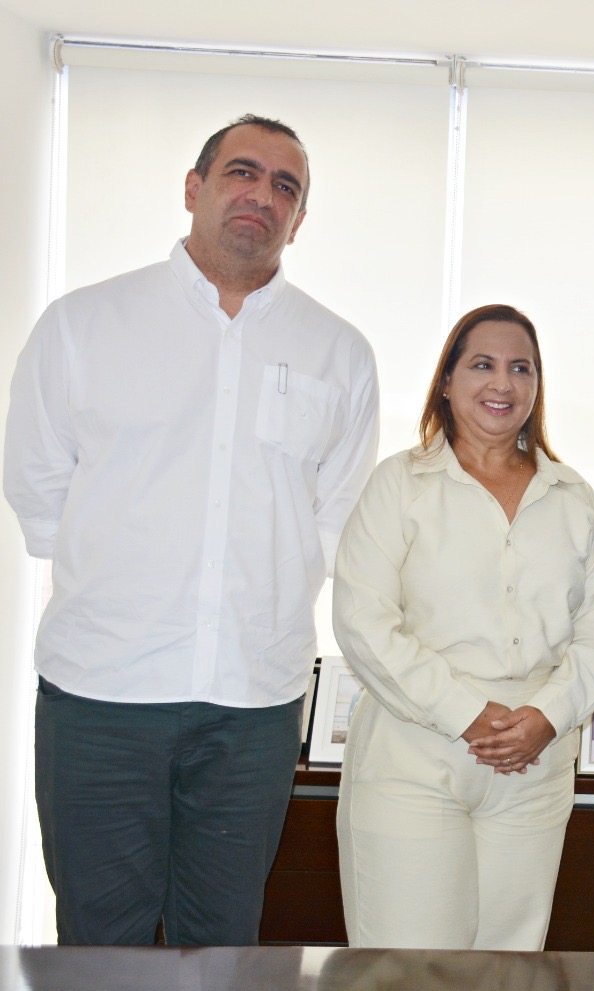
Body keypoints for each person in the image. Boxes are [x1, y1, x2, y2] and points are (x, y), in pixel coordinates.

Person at [4, 114, 377, 946]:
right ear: (194, 188)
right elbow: (37, 486)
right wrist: (123, 574)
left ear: (300, 220)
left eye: (287, 187)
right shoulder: (82, 324)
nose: (263, 195)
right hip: (101, 696)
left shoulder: (338, 352)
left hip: (254, 703)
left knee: (224, 944)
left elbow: (338, 515)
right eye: (243, 172)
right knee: (101, 943)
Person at [332, 303, 594, 949]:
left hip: (534, 767)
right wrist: (465, 710)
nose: (503, 383)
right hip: (414, 759)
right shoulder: (399, 484)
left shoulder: (573, 497)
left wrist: (546, 716)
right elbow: (363, 621)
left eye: (522, 368)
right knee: (409, 969)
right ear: (447, 381)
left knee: (510, 967)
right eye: (482, 364)